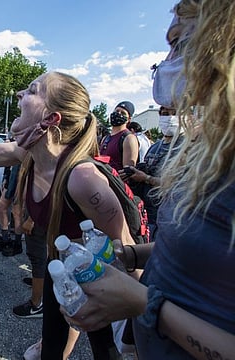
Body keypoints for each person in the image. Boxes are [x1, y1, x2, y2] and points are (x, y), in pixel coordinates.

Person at [69, 1, 235, 358]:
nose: (165, 62)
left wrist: (144, 302)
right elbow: (197, 250)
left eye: (178, 43)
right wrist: (130, 255)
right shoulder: (209, 150)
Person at [0, 60, 135, 359]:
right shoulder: (26, 153)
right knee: (52, 346)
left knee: (105, 350)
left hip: (96, 276)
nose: (18, 94)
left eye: (31, 90)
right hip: (63, 271)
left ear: (51, 118)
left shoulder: (83, 178)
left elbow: (129, 250)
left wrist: (144, 320)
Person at [120, 106, 184, 238]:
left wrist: (146, 178)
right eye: (165, 114)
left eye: (175, 113)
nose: (170, 118)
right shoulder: (155, 146)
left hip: (169, 217)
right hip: (148, 215)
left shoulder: (185, 147)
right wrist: (133, 173)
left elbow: (179, 186)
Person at [0, 163, 23, 256]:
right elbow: (10, 158)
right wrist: (6, 175)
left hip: (23, 174)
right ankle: (5, 239)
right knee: (1, 208)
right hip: (13, 174)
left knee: (17, 212)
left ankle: (17, 244)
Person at [99, 101, 139, 171]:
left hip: (114, 180)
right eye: (117, 111)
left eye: (123, 113)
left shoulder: (129, 138)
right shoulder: (105, 138)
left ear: (128, 119)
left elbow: (127, 172)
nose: (118, 114)